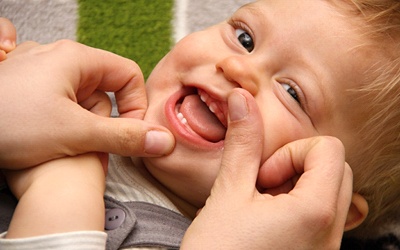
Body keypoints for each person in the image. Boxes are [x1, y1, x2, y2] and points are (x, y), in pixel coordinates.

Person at [1, 0, 400, 248]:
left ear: (321, 200)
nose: (239, 68)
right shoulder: (68, 97)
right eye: (245, 38)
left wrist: (63, 181)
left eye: (293, 93)